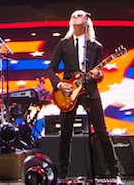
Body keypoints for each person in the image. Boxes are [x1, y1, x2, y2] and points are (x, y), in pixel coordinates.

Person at [48, 10, 121, 184]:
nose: (75, 17)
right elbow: (51, 69)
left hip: (89, 89)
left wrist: (98, 75)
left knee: (102, 132)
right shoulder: (64, 44)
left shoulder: (95, 46)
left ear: (87, 20)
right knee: (65, 133)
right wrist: (59, 84)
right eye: (73, 15)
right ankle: (63, 175)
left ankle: (114, 172)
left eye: (79, 15)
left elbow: (99, 73)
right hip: (68, 92)